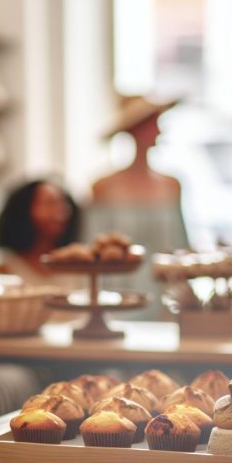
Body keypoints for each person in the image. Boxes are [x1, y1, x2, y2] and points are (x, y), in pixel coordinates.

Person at [88, 95, 190, 319]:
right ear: (136, 130)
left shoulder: (171, 185)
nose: (159, 130)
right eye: (153, 123)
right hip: (118, 301)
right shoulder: (104, 187)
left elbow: (181, 247)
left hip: (165, 300)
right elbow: (93, 250)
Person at [0, 179, 82, 291]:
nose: (60, 212)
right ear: (24, 209)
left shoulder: (77, 265)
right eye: (49, 203)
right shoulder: (7, 267)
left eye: (63, 203)